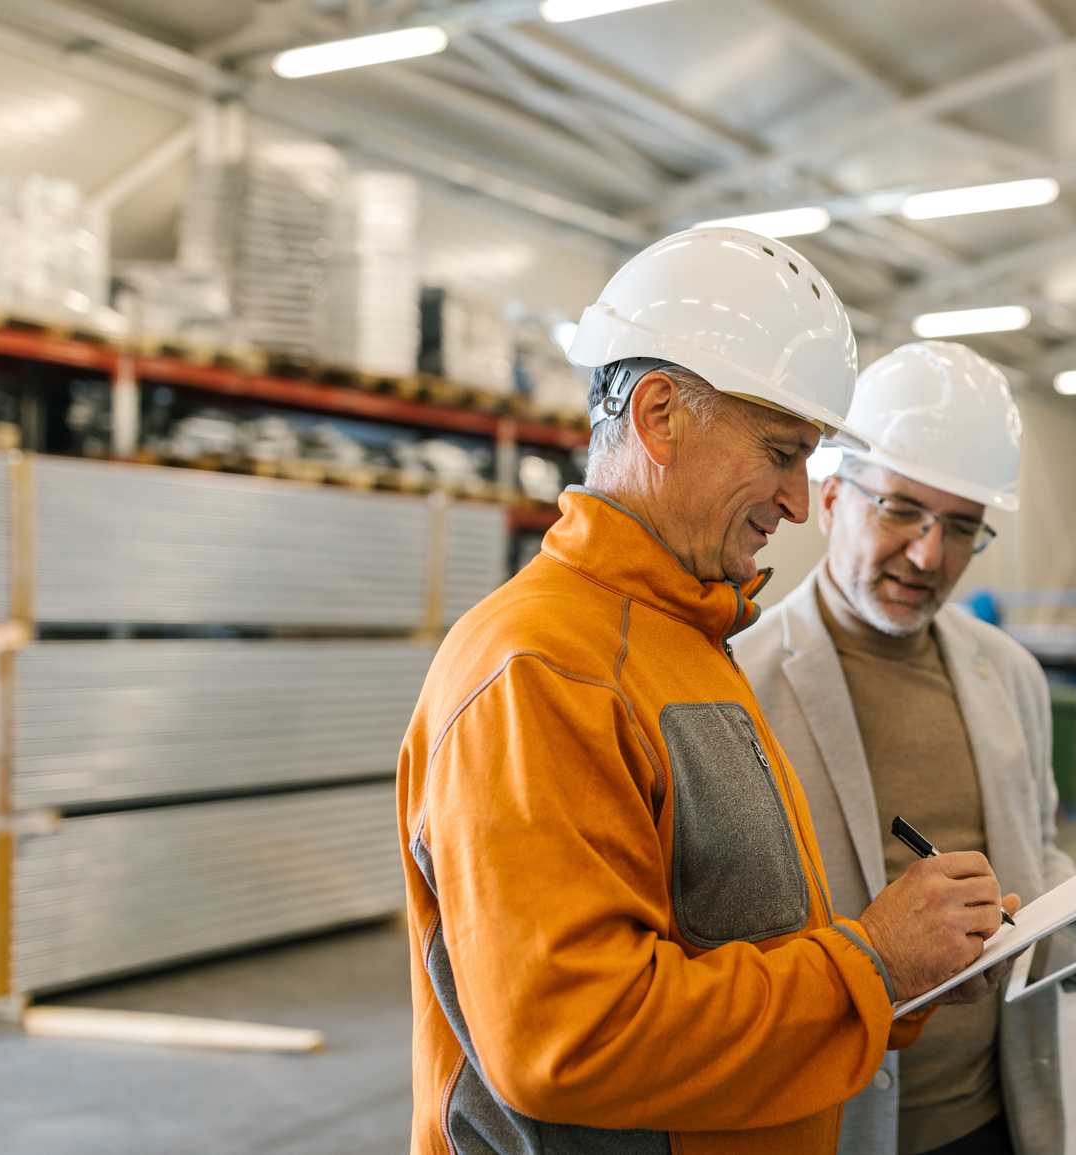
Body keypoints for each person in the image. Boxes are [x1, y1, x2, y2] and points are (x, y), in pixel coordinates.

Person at [396, 232, 1009, 1155]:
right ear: (658, 416)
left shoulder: (682, 639)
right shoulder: (540, 668)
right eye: (779, 453)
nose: (800, 502)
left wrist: (904, 974)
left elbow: (738, 946)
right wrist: (871, 963)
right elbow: (573, 1038)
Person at [734, 341, 1076, 1155]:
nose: (927, 555)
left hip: (990, 1114)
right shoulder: (739, 684)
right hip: (828, 1122)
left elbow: (1033, 850)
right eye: (901, 511)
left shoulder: (1006, 671)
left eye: (960, 528)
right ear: (832, 496)